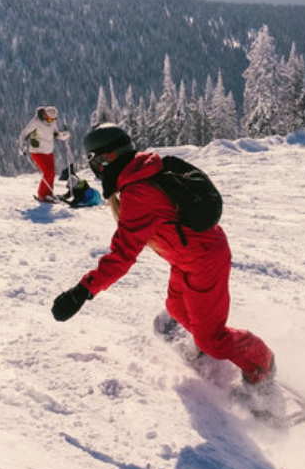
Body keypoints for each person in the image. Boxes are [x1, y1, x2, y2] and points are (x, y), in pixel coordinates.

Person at [49, 123, 275, 389]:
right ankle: (207, 344)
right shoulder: (140, 173)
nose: (97, 170)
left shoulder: (138, 193)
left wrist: (81, 291)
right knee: (176, 309)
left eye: (95, 162)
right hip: (186, 260)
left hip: (205, 261)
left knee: (212, 339)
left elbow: (122, 256)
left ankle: (262, 365)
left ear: (106, 159)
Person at [19, 106, 69, 202]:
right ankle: (42, 194)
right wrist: (23, 145)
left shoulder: (52, 121)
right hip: (37, 151)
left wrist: (63, 136)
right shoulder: (36, 122)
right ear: (45, 115)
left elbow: (55, 133)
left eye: (53, 119)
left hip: (48, 150)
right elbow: (24, 134)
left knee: (52, 173)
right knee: (48, 172)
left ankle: (49, 193)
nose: (51, 121)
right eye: (50, 119)